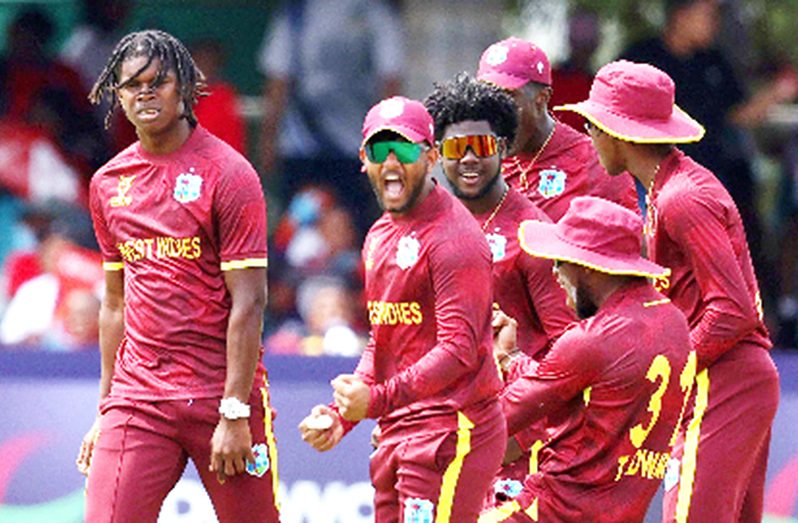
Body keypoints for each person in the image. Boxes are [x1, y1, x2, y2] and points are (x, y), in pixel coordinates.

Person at [557, 59, 779, 523]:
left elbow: (733, 310)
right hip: (731, 379)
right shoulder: (666, 192)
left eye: (595, 125)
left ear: (619, 133)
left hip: (726, 382)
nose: (591, 136)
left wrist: (669, 371)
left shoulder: (681, 199)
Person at [74, 30, 280, 522]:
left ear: (184, 87)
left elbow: (250, 302)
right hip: (138, 398)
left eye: (158, 82)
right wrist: (105, 410)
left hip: (219, 395)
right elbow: (116, 303)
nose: (145, 93)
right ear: (117, 96)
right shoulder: (108, 184)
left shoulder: (229, 174)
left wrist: (234, 410)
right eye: (131, 85)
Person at [299, 96, 506, 522]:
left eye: (406, 150)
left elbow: (459, 351)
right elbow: (386, 338)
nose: (391, 162)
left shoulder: (455, 239)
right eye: (379, 150)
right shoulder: (378, 236)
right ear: (363, 159)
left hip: (453, 433)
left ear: (430, 157)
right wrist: (342, 415)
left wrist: (374, 400)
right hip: (398, 433)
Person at [479, 196, 693, 522]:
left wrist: (409, 428)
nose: (554, 273)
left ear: (587, 267)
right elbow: (575, 382)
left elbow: (494, 421)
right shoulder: (674, 323)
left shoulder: (591, 339)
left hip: (549, 513)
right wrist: (512, 357)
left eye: (560, 261)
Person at [424, 71, 576, 508]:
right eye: (456, 148)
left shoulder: (534, 234)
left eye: (483, 146)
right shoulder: (427, 227)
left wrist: (518, 423)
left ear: (504, 148)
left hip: (512, 448)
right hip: (437, 437)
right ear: (437, 154)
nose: (469, 159)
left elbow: (568, 350)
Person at [621, 0, 798, 299]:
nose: (714, 23)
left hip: (703, 183)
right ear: (681, 15)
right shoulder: (641, 58)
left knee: (701, 268)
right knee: (644, 257)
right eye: (708, 14)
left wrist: (778, 93)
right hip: (646, 181)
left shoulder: (713, 62)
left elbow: (739, 114)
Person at [257, 0, 404, 236]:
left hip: (337, 151)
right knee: (320, 234)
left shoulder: (372, 13)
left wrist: (268, 141)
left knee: (309, 237)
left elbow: (278, 81)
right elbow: (389, 85)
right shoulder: (297, 11)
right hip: (314, 147)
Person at [476, 37, 639, 222]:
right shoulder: (479, 160)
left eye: (508, 98)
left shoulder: (595, 163)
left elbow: (631, 244)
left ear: (542, 98)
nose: (496, 111)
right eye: (488, 98)